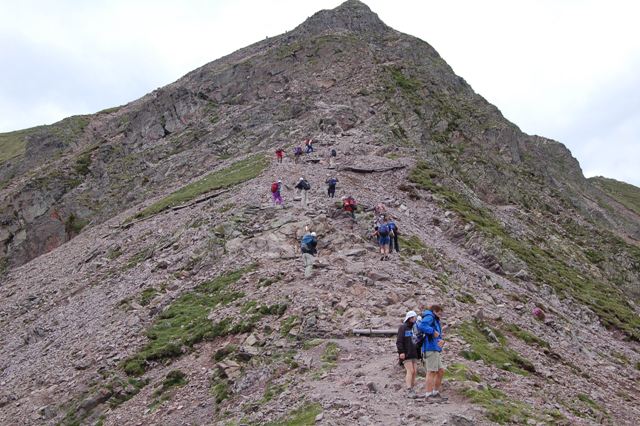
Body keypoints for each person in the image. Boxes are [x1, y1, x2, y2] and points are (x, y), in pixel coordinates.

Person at [417, 305, 447, 402]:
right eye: (439, 312)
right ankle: (428, 395)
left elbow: (436, 334)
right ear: (434, 311)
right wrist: (432, 331)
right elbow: (422, 326)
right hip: (430, 348)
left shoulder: (435, 319)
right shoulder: (430, 317)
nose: (441, 314)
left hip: (435, 348)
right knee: (431, 371)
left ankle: (435, 393)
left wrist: (440, 340)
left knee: (440, 370)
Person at [397, 311, 422, 398]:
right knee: (410, 370)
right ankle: (408, 389)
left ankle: (412, 389)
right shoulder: (403, 328)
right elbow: (399, 341)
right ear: (410, 318)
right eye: (414, 317)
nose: (415, 319)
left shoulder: (415, 328)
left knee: (414, 372)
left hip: (414, 353)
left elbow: (418, 341)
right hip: (406, 353)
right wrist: (401, 352)